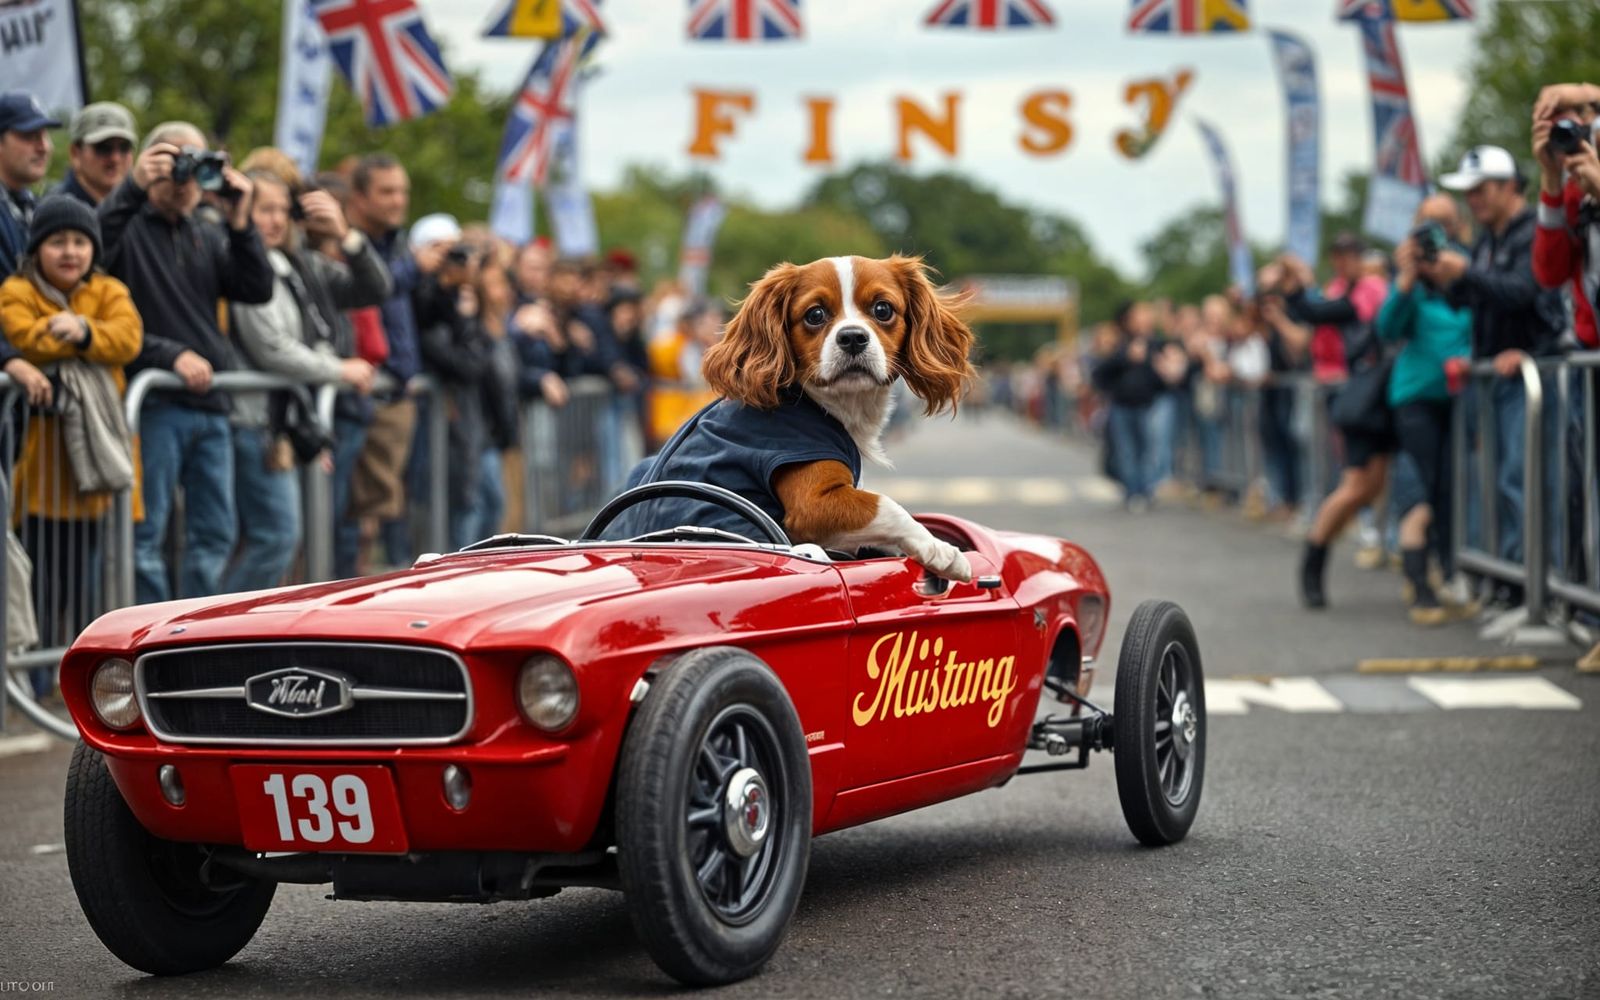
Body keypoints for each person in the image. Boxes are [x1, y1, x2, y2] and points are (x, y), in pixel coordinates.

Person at [99, 121, 273, 604]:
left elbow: (256, 288)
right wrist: (134, 186)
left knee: (214, 535)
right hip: (153, 403)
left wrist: (242, 222)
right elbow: (92, 253)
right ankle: (148, 644)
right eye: (176, 163)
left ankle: (196, 641)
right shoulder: (127, 223)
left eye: (197, 166)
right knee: (145, 537)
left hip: (209, 407)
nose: (186, 179)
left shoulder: (208, 232)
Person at [0, 195, 142, 693]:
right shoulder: (16, 289)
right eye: (57, 241)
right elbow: (20, 333)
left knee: (89, 591)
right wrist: (69, 337)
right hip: (42, 475)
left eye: (80, 241)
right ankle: (34, 683)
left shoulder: (108, 290)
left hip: (96, 475)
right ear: (37, 247)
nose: (69, 251)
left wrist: (82, 329)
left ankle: (84, 685)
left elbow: (128, 339)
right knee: (41, 584)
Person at [223, 168, 386, 592]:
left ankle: (248, 639)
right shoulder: (246, 262)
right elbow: (270, 347)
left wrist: (345, 234)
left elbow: (376, 287)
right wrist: (338, 370)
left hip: (284, 421)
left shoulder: (300, 262)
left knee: (283, 543)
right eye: (265, 209)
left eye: (283, 209)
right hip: (253, 421)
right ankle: (215, 633)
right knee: (274, 538)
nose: (276, 220)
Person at [1431, 145, 1565, 610]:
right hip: (1498, 375)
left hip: (1535, 372)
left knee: (1523, 482)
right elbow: (1474, 303)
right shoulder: (1489, 238)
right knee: (1501, 483)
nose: (1474, 200)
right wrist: (1445, 278)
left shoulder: (1531, 230)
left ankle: (1538, 592)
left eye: (1481, 189)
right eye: (1469, 192)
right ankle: (1513, 585)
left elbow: (1526, 291)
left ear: (1511, 186)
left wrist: (1466, 271)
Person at [1376, 195, 1475, 625]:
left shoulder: (1468, 272)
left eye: (1444, 223)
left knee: (1451, 488)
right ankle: (1420, 583)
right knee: (1422, 487)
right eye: (1427, 223)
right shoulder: (1410, 283)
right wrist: (1404, 279)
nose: (1436, 231)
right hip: (1415, 398)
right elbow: (1386, 329)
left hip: (1461, 397)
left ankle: (1449, 571)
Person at [1283, 237, 1392, 608]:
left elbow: (1328, 312)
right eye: (1339, 256)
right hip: (1368, 399)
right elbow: (1320, 314)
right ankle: (1313, 556)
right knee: (1356, 486)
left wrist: (1300, 289)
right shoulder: (1350, 290)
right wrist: (1298, 289)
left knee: (1370, 487)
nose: (1345, 263)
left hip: (1382, 394)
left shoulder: (1372, 288)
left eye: (1351, 256)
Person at [341, 153, 423, 576]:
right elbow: (379, 290)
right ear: (358, 197)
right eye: (387, 191)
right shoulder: (352, 245)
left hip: (393, 393)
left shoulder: (395, 244)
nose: (398, 201)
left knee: (372, 517)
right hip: (361, 395)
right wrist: (415, 269)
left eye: (402, 191)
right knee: (352, 522)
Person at [0, 92, 63, 401]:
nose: (44, 146)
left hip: (26, 397)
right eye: (28, 136)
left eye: (45, 136)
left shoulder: (34, 207)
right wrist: (7, 358)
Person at [1092, 301, 1182, 510]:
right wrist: (1125, 357)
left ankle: (1146, 490)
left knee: (1148, 449)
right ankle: (1131, 490)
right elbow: (1100, 374)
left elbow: (1170, 376)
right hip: (1122, 405)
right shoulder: (1119, 344)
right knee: (1126, 450)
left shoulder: (1159, 344)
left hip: (1148, 404)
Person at [53, 102, 138, 207]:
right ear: (75, 153)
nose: (115, 158)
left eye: (124, 147)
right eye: (103, 148)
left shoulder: (140, 207)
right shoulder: (58, 211)